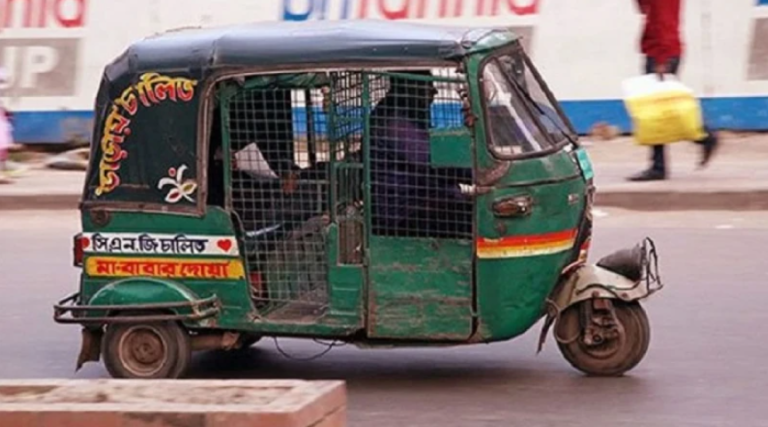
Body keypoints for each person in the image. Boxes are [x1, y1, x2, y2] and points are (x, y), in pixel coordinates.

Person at [369, 71, 474, 238]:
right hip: (404, 212)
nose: (435, 91)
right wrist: (478, 173)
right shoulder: (393, 122)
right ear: (410, 87)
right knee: (478, 221)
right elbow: (435, 162)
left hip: (421, 198)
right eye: (427, 85)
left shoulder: (410, 115)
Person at [628, 0, 719, 182]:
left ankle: (701, 138)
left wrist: (662, 60)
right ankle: (702, 138)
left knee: (655, 112)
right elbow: (644, 8)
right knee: (659, 111)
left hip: (661, 54)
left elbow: (665, 23)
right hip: (660, 51)